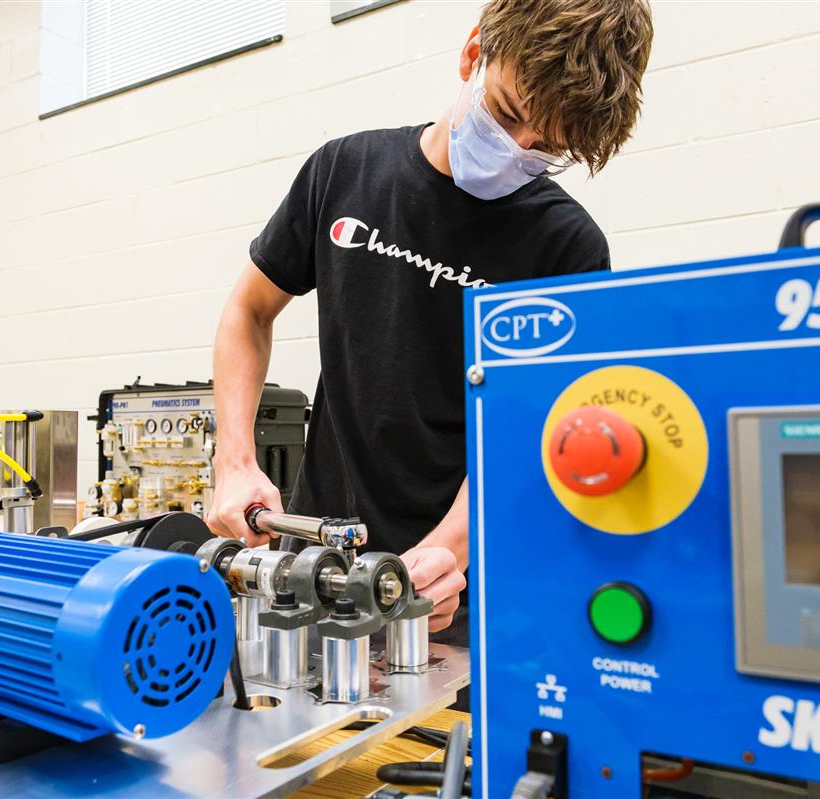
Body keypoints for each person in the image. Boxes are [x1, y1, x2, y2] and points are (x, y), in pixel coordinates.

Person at [206, 0, 653, 658]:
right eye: (506, 114)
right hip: (313, 566)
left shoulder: (569, 247)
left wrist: (452, 547)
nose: (516, 151)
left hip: (457, 594)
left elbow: (538, 427)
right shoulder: (345, 172)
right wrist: (235, 461)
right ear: (474, 51)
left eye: (547, 151)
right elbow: (248, 310)